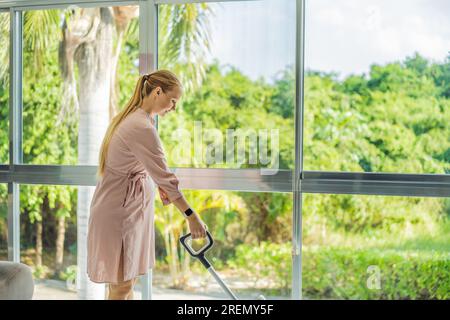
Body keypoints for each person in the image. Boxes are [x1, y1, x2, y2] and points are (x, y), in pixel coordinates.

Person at [87, 70, 207, 300]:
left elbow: (149, 169)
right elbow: (166, 177)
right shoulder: (140, 126)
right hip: (118, 214)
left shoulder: (136, 119)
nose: (173, 107)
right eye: (172, 100)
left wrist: (157, 182)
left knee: (123, 284)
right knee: (122, 286)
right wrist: (191, 215)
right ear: (157, 91)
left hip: (124, 211)